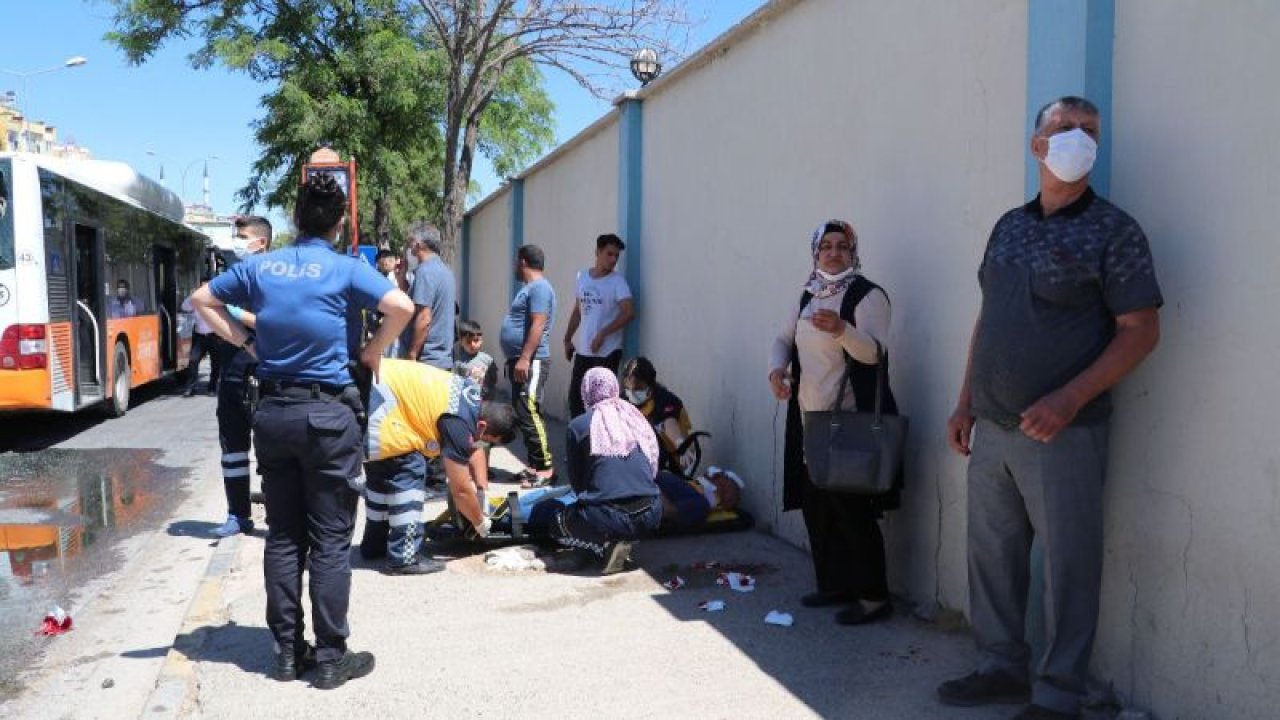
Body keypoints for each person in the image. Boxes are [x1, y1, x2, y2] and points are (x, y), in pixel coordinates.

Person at [937, 97, 1162, 720]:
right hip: (994, 430)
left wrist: (1069, 398)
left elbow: (1140, 330)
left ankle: (1060, 694)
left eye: (1090, 131)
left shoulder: (1115, 230)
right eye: (1065, 129)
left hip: (1065, 432)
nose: (1079, 139)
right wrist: (965, 403)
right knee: (992, 556)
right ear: (1038, 146)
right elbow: (990, 320)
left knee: (1069, 565)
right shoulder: (1009, 226)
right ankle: (1000, 667)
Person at [191, 174, 413, 690]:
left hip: (272, 412)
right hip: (329, 416)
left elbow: (202, 300)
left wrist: (247, 343)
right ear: (338, 223)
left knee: (285, 536)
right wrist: (374, 350)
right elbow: (400, 307)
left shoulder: (261, 266)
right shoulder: (345, 268)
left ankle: (287, 654)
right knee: (331, 540)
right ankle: (332, 657)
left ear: (294, 218)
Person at [768, 218, 899, 627]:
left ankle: (874, 596)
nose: (834, 252)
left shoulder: (866, 295)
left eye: (842, 246)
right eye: (826, 246)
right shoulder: (809, 294)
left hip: (848, 420)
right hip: (810, 419)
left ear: (854, 251)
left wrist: (843, 330)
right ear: (815, 252)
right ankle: (836, 584)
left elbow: (875, 353)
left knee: (852, 511)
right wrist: (776, 370)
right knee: (819, 508)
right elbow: (782, 340)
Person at [357, 359, 516, 574]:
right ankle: (404, 558)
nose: (483, 444)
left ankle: (375, 545)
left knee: (381, 481)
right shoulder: (459, 423)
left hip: (376, 397)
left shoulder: (471, 397)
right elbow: (459, 489)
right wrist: (480, 522)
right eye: (488, 439)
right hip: (387, 413)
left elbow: (475, 448)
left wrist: (482, 491)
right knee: (409, 472)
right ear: (483, 426)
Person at [528, 367, 662, 575]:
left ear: (587, 390)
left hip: (610, 516)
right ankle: (623, 539)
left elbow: (578, 485)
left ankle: (603, 547)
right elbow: (652, 463)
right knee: (612, 513)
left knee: (557, 524)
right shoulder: (636, 419)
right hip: (652, 512)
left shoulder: (579, 426)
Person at [210, 215, 272, 538]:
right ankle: (238, 514)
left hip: (263, 371)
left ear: (261, 242)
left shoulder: (273, 277)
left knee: (270, 448)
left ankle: (277, 516)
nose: (237, 240)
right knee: (232, 447)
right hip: (231, 372)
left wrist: (235, 315)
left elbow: (275, 321)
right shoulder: (232, 277)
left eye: (242, 235)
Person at [499, 244, 557, 488]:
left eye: (516, 261)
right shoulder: (529, 289)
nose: (514, 265)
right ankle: (534, 465)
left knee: (529, 411)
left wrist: (524, 358)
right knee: (523, 414)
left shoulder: (540, 288)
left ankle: (545, 470)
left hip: (531, 361)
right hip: (521, 360)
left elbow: (538, 324)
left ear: (522, 262)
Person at [563, 233, 635, 417]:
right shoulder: (582, 277)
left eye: (616, 256)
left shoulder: (617, 282)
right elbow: (579, 310)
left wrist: (603, 334)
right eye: (609, 254)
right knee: (576, 400)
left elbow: (628, 313)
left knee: (602, 404)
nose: (613, 260)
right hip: (584, 351)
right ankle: (580, 441)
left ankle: (601, 441)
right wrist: (567, 339)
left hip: (607, 352)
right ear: (598, 252)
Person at [621, 356, 697, 476]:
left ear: (650, 384)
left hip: (669, 460)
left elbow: (669, 424)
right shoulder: (622, 400)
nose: (633, 390)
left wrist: (681, 445)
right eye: (629, 386)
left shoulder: (664, 399)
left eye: (639, 386)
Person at [401, 223, 456, 370]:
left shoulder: (426, 272)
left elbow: (424, 318)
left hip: (427, 361)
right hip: (440, 359)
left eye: (410, 242)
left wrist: (412, 355)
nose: (409, 247)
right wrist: (401, 274)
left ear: (418, 244)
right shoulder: (444, 271)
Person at [182, 275, 222, 396]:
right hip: (199, 335)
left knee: (216, 363)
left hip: (214, 335)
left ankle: (212, 387)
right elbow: (184, 306)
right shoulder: (195, 299)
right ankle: (191, 387)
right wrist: (193, 296)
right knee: (193, 360)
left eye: (207, 286)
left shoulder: (216, 298)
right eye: (202, 286)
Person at [453, 319, 497, 400]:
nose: (472, 345)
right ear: (461, 342)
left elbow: (493, 379)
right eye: (468, 342)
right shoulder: (458, 362)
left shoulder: (488, 360)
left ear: (481, 340)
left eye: (476, 340)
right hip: (465, 400)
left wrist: (488, 390)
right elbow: (455, 383)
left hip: (484, 400)